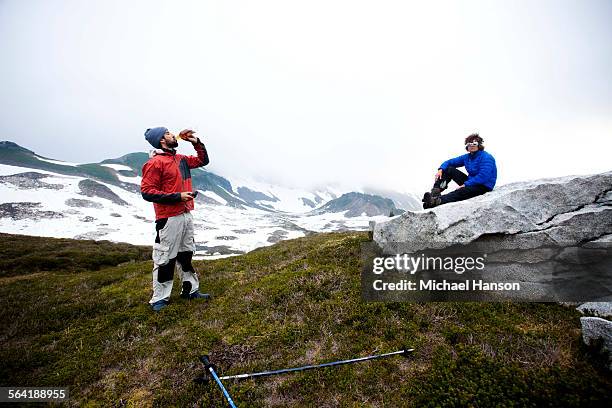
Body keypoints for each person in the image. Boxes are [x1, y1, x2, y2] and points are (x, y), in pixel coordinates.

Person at [141, 126, 211, 311]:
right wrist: (177, 197)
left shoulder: (181, 159)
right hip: (168, 218)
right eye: (168, 133)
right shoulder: (155, 163)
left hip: (186, 214)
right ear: (161, 140)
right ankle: (159, 299)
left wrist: (196, 143)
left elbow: (203, 160)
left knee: (186, 254)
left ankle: (190, 290)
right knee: (165, 258)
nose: (173, 134)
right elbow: (147, 192)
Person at [422, 133, 497, 209]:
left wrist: (466, 184)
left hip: (484, 186)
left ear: (479, 145)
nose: (471, 145)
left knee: (461, 191)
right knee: (449, 169)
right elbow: (450, 162)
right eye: (469, 143)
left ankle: (437, 201)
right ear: (467, 146)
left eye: (474, 143)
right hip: (471, 182)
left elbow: (484, 176)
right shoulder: (467, 157)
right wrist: (440, 169)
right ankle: (435, 193)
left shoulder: (486, 157)